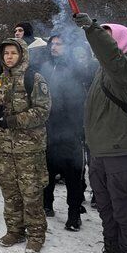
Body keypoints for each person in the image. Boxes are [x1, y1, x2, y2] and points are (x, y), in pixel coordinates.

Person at [73, 14, 127, 253]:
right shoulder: (102, 72)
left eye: (108, 37)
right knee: (105, 207)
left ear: (122, 42)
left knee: (124, 209)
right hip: (99, 151)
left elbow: (111, 55)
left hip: (121, 152)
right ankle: (112, 250)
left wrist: (92, 29)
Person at [0, 38, 51, 253]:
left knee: (31, 193)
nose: (9, 57)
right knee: (10, 192)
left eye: (13, 53)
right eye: (6, 53)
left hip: (28, 150)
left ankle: (36, 235)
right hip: (3, 149)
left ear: (22, 55)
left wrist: (12, 120)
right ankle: (14, 230)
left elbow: (42, 111)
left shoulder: (34, 79)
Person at [40, 33, 89, 231]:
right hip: (48, 128)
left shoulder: (76, 69)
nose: (54, 47)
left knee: (73, 175)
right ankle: (47, 204)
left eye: (59, 44)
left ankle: (74, 214)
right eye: (52, 43)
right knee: (47, 170)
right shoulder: (44, 67)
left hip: (71, 129)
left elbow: (81, 99)